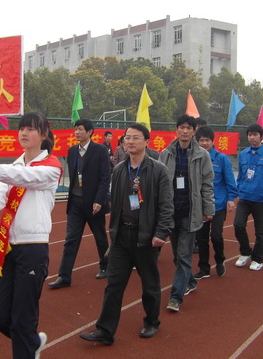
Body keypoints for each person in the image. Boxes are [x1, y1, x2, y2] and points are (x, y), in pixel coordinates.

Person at [0, 111, 63, 359]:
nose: (24, 133)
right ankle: (32, 342)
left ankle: (27, 348)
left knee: (22, 318)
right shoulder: (14, 166)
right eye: (22, 128)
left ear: (44, 134)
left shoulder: (51, 167)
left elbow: (26, 177)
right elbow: (0, 194)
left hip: (32, 248)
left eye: (31, 129)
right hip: (6, 246)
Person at [80, 123, 173, 345]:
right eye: (127, 137)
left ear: (147, 142)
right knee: (113, 285)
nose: (130, 141)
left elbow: (166, 205)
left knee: (149, 284)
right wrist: (114, 231)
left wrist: (161, 232)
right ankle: (105, 330)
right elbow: (117, 202)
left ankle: (152, 321)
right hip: (122, 235)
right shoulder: (120, 169)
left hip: (146, 237)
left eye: (135, 137)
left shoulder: (159, 170)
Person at [159, 115, 214, 312]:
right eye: (181, 127)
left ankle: (176, 297)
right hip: (171, 212)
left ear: (193, 131)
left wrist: (208, 209)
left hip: (190, 212)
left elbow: (207, 184)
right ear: (176, 130)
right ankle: (190, 281)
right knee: (177, 255)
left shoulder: (202, 155)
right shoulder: (166, 154)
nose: (184, 131)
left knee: (183, 256)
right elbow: (159, 183)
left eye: (188, 128)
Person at [48, 119, 111, 288]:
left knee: (100, 237)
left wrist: (99, 200)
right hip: (75, 203)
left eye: (80, 129)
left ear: (90, 132)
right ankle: (64, 276)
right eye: (75, 129)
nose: (77, 132)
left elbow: (105, 177)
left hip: (93, 204)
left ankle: (105, 266)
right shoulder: (72, 151)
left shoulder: (100, 150)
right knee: (71, 240)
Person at [234, 123, 263, 271]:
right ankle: (245, 251)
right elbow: (241, 175)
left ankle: (258, 259)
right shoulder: (243, 154)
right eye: (250, 135)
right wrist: (239, 190)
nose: (252, 137)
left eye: (255, 135)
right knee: (238, 225)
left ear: (261, 136)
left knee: (260, 231)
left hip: (260, 198)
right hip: (245, 197)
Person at [194, 126, 237, 279]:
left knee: (216, 235)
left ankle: (220, 260)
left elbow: (230, 181)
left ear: (213, 141)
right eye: (201, 140)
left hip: (218, 205)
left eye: (207, 140)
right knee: (201, 238)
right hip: (200, 205)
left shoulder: (221, 158)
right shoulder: (194, 159)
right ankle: (204, 268)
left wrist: (231, 199)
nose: (204, 143)